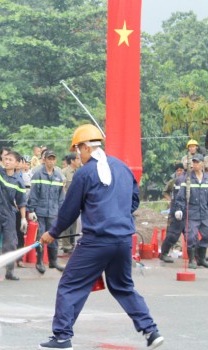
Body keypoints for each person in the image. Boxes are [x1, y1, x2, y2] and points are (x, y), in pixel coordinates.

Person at [37, 124, 163, 350]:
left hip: (96, 242)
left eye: (77, 150)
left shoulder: (84, 173)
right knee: (123, 287)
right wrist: (116, 214)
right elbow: (134, 201)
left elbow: (70, 210)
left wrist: (52, 233)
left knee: (70, 285)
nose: (77, 155)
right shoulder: (122, 168)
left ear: (86, 147)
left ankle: (62, 337)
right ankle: (151, 331)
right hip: (123, 240)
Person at [0, 147, 27, 280]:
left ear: (17, 163)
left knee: (11, 242)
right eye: (6, 159)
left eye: (10, 160)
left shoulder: (19, 181)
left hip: (9, 213)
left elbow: (21, 202)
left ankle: (10, 271)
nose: (7, 162)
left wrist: (23, 219)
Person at [28, 149, 65, 273]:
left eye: (53, 158)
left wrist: (61, 211)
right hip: (40, 211)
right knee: (40, 236)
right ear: (44, 160)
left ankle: (53, 261)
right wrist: (31, 210)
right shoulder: (38, 174)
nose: (51, 161)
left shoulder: (58, 176)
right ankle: (39, 261)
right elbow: (33, 194)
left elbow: (61, 197)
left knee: (54, 235)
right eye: (49, 158)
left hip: (53, 212)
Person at [174, 153, 208, 268]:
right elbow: (181, 196)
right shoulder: (187, 179)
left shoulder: (207, 178)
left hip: (205, 213)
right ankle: (191, 261)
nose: (195, 164)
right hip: (192, 213)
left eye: (197, 162)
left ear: (203, 163)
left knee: (206, 235)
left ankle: (201, 259)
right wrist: (179, 209)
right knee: (191, 236)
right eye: (193, 162)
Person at [159, 162, 186, 262]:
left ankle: (195, 257)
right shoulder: (173, 182)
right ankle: (164, 253)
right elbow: (165, 192)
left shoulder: (189, 180)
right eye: (177, 170)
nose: (179, 172)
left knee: (191, 235)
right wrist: (170, 200)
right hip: (175, 210)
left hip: (188, 211)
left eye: (181, 170)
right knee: (172, 234)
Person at [60, 153, 81, 254]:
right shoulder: (64, 172)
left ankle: (73, 243)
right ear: (72, 161)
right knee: (66, 225)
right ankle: (66, 245)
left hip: (77, 203)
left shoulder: (80, 172)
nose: (79, 161)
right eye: (77, 159)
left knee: (75, 225)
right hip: (67, 202)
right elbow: (62, 189)